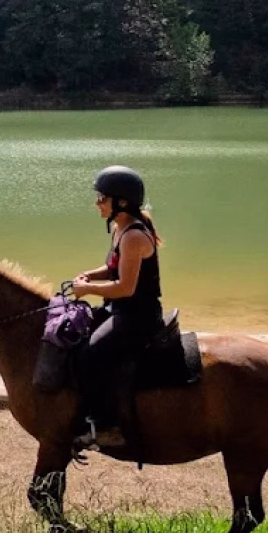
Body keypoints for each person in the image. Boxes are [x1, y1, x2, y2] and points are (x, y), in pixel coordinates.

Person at [67, 165, 163, 450]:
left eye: (102, 198)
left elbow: (125, 287)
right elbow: (112, 268)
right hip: (120, 310)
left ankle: (109, 427)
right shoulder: (120, 228)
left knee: (92, 355)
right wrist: (89, 275)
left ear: (121, 203)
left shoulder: (134, 237)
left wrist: (87, 289)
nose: (97, 203)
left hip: (137, 315)